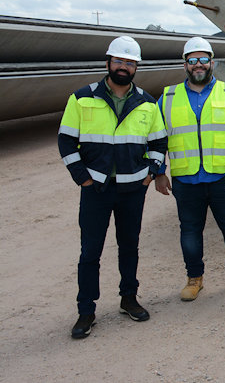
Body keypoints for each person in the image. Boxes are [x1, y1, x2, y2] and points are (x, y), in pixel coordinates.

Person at [58, 36, 167, 339]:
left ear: (136, 68)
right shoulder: (82, 98)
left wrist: (152, 172)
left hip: (133, 188)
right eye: (119, 61)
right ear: (108, 63)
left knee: (129, 246)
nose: (124, 67)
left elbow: (158, 142)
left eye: (130, 63)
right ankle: (86, 310)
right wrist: (81, 175)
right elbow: (66, 139)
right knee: (90, 251)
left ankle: (128, 298)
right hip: (96, 188)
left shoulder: (147, 102)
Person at [155, 36, 225, 302]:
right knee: (189, 231)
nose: (198, 65)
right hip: (186, 179)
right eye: (192, 60)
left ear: (212, 62)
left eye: (203, 60)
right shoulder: (167, 97)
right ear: (185, 64)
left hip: (224, 177)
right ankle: (194, 279)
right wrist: (158, 171)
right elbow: (155, 136)